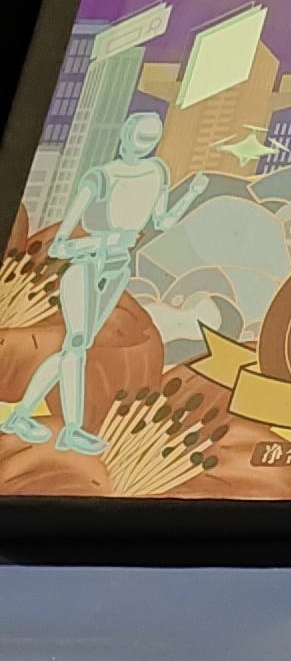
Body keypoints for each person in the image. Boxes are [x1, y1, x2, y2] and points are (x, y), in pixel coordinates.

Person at [6, 109, 169, 450]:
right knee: (77, 346)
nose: (141, 144)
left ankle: (20, 416)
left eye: (149, 139)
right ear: (124, 134)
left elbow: (162, 221)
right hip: (86, 268)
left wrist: (192, 194)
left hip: (117, 270)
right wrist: (104, 242)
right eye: (138, 136)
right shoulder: (100, 178)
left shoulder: (158, 172)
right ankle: (72, 428)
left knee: (76, 348)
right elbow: (60, 246)